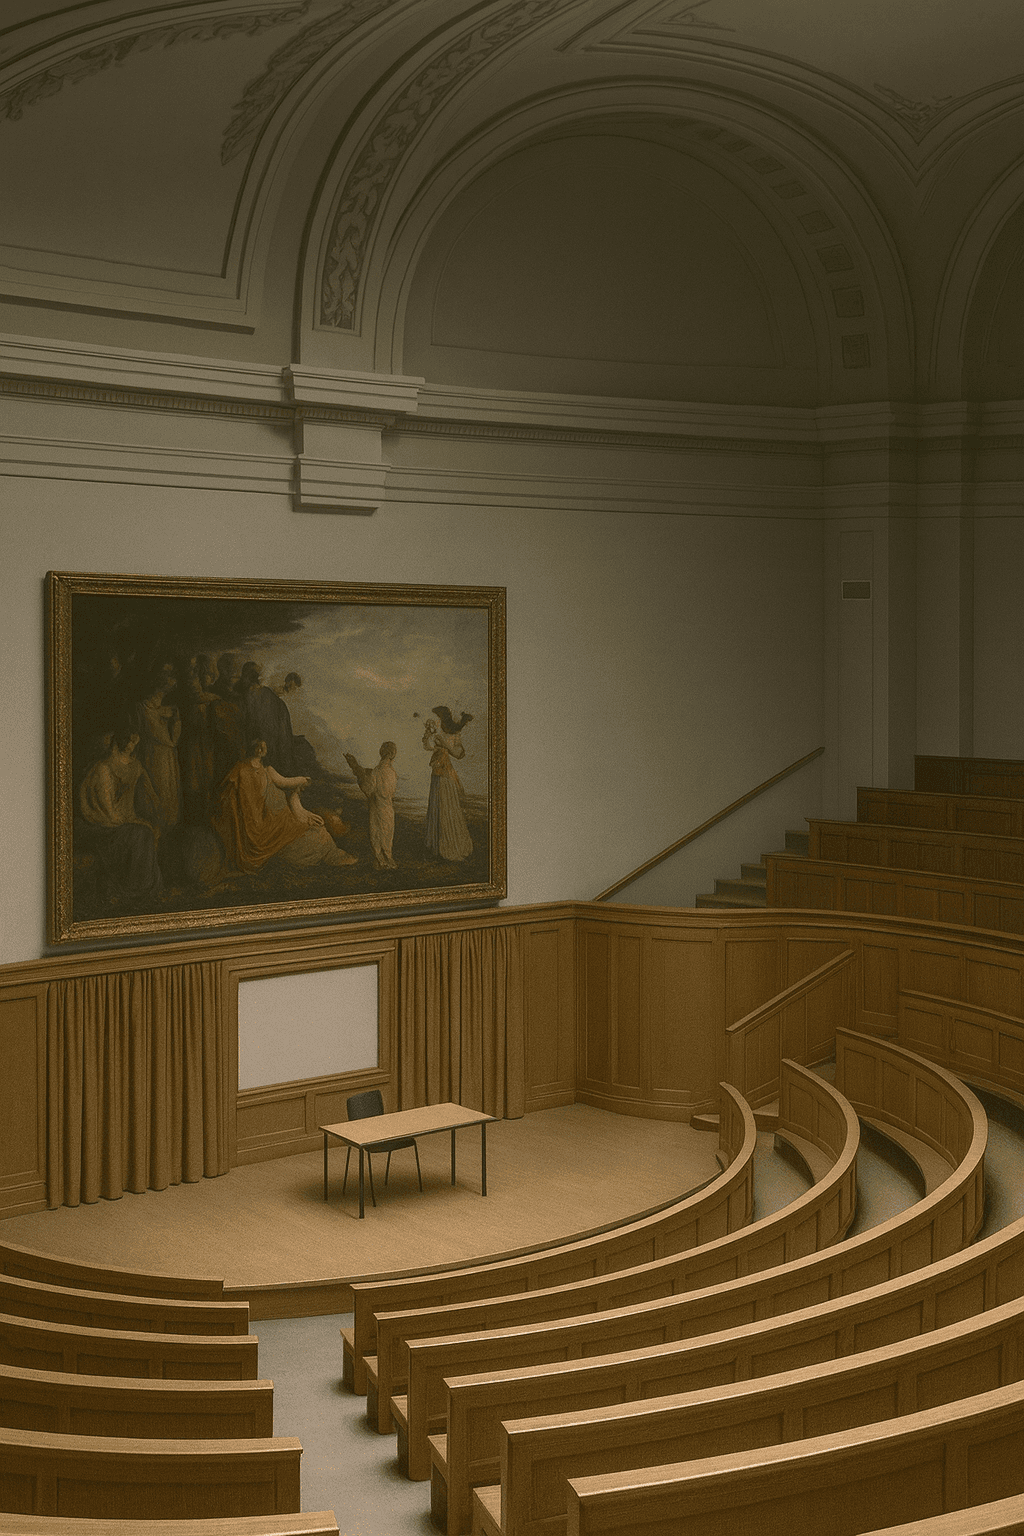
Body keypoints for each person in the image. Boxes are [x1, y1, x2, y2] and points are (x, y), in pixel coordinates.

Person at [213, 738, 356, 874]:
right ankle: (331, 853)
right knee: (318, 835)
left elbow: (285, 783)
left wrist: (300, 783)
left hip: (274, 820)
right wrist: (301, 781)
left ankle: (332, 852)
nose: (262, 749)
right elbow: (284, 784)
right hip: (269, 824)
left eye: (263, 746)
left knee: (316, 830)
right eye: (260, 746)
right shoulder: (249, 771)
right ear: (256, 749)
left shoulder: (260, 770)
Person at [78, 729, 162, 902]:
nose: (131, 747)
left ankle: (144, 889)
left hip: (123, 821)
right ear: (119, 742)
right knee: (142, 834)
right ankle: (134, 889)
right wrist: (135, 822)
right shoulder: (104, 769)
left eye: (134, 743)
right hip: (105, 826)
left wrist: (154, 802)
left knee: (148, 831)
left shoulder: (133, 765)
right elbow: (110, 813)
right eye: (129, 742)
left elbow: (147, 785)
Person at [422, 716, 472, 862]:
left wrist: (446, 745)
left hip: (446, 775)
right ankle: (436, 846)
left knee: (448, 807)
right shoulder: (439, 732)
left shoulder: (455, 735)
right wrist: (428, 733)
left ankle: (451, 845)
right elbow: (428, 746)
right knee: (437, 807)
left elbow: (460, 754)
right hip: (437, 775)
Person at [345, 742, 399, 869]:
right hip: (387, 807)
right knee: (387, 831)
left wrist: (360, 774)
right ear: (392, 755)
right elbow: (390, 791)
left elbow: (369, 789)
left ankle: (380, 858)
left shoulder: (377, 770)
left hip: (376, 806)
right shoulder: (392, 772)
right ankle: (387, 857)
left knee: (376, 831)